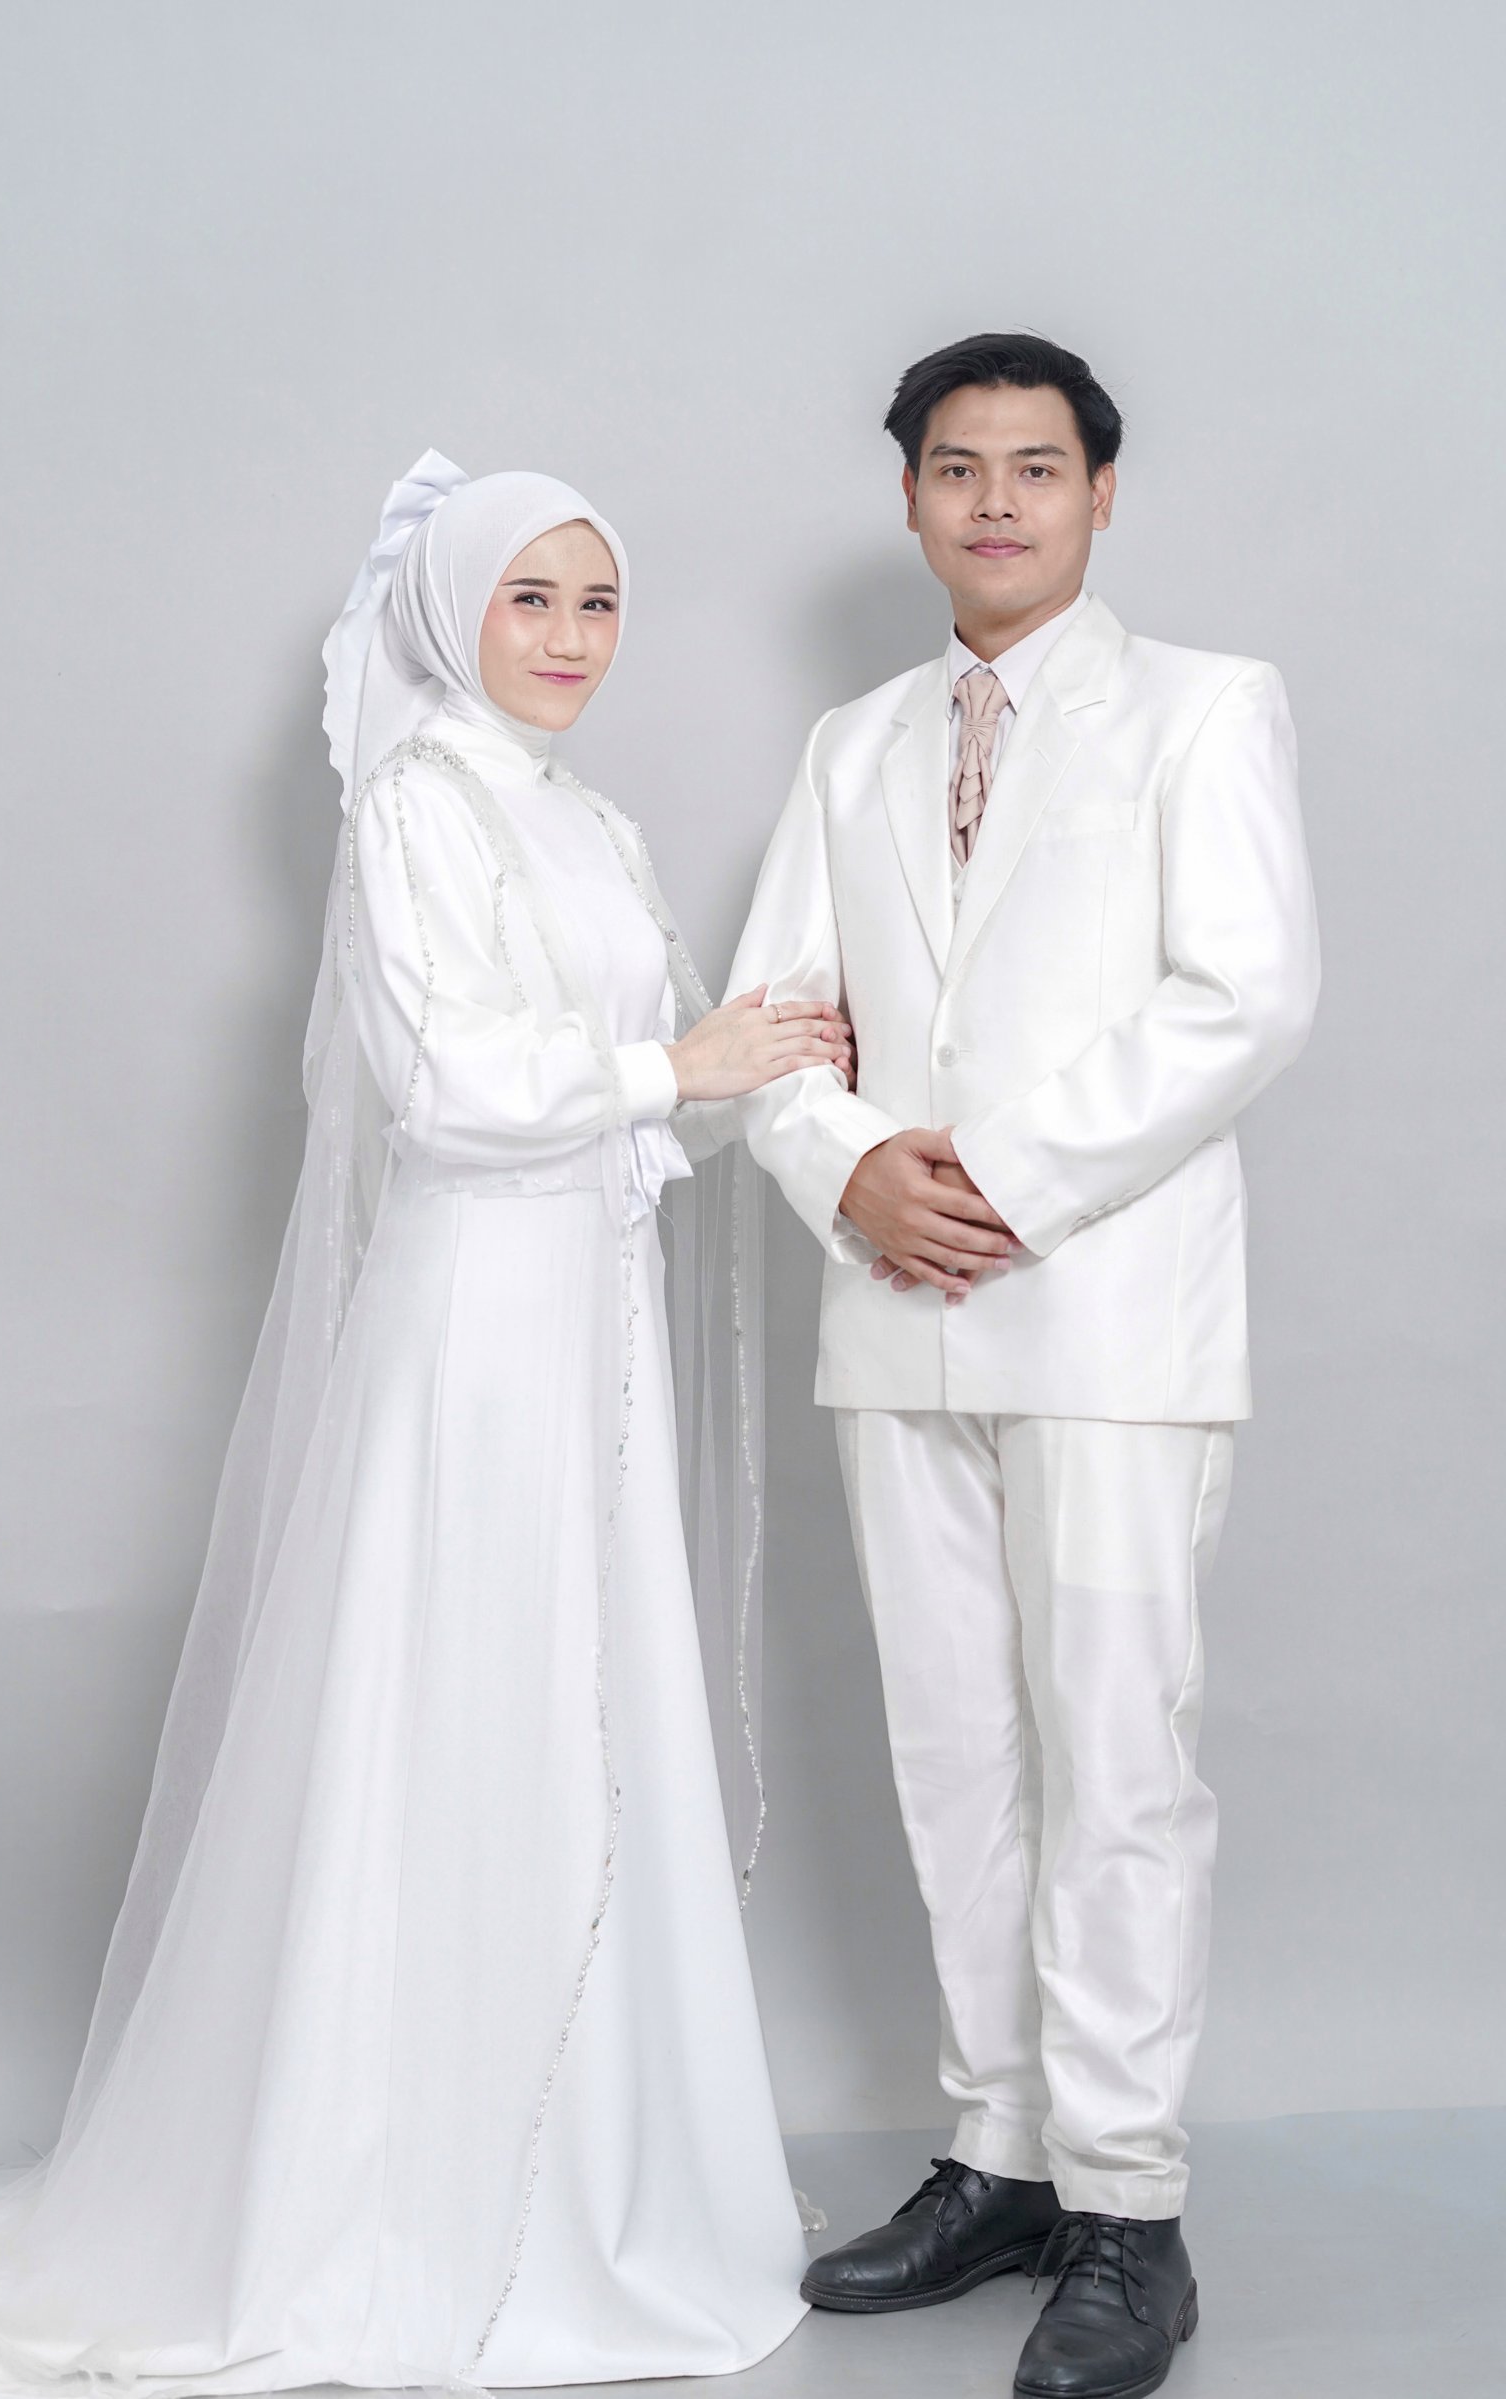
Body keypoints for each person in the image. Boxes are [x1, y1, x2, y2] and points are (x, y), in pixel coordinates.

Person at [0, 455, 847, 2396]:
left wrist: (764, 1061)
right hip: (479, 1321)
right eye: (530, 598)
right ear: (448, 612)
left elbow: (663, 1083)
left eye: (598, 601)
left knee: (579, 1696)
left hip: (582, 1306)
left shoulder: (588, 823)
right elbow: (447, 1085)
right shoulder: (418, 805)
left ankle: (589, 2170)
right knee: (470, 1687)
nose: (572, 638)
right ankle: (411, 2200)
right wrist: (673, 1066)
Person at [728, 334, 1320, 2399]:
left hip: (1109, 1317)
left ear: (1099, 495)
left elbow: (1244, 995)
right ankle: (1000, 2157)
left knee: (1114, 1761)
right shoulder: (851, 743)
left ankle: (1129, 2210)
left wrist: (989, 1175)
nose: (995, 501)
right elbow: (776, 1016)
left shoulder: (1203, 707)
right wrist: (847, 1169)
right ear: (908, 498)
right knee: (953, 1759)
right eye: (957, 468)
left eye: (1036, 467)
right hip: (896, 1313)